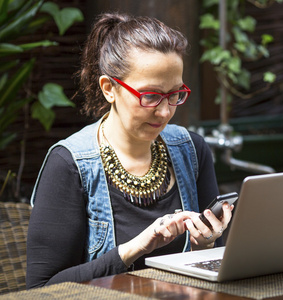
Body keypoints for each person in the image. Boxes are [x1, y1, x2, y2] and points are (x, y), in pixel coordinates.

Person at [26, 12, 233, 289]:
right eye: (149, 96)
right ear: (109, 88)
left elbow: (211, 273)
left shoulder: (191, 150)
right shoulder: (70, 163)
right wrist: (134, 249)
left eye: (174, 94)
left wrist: (204, 244)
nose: (164, 111)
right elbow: (41, 289)